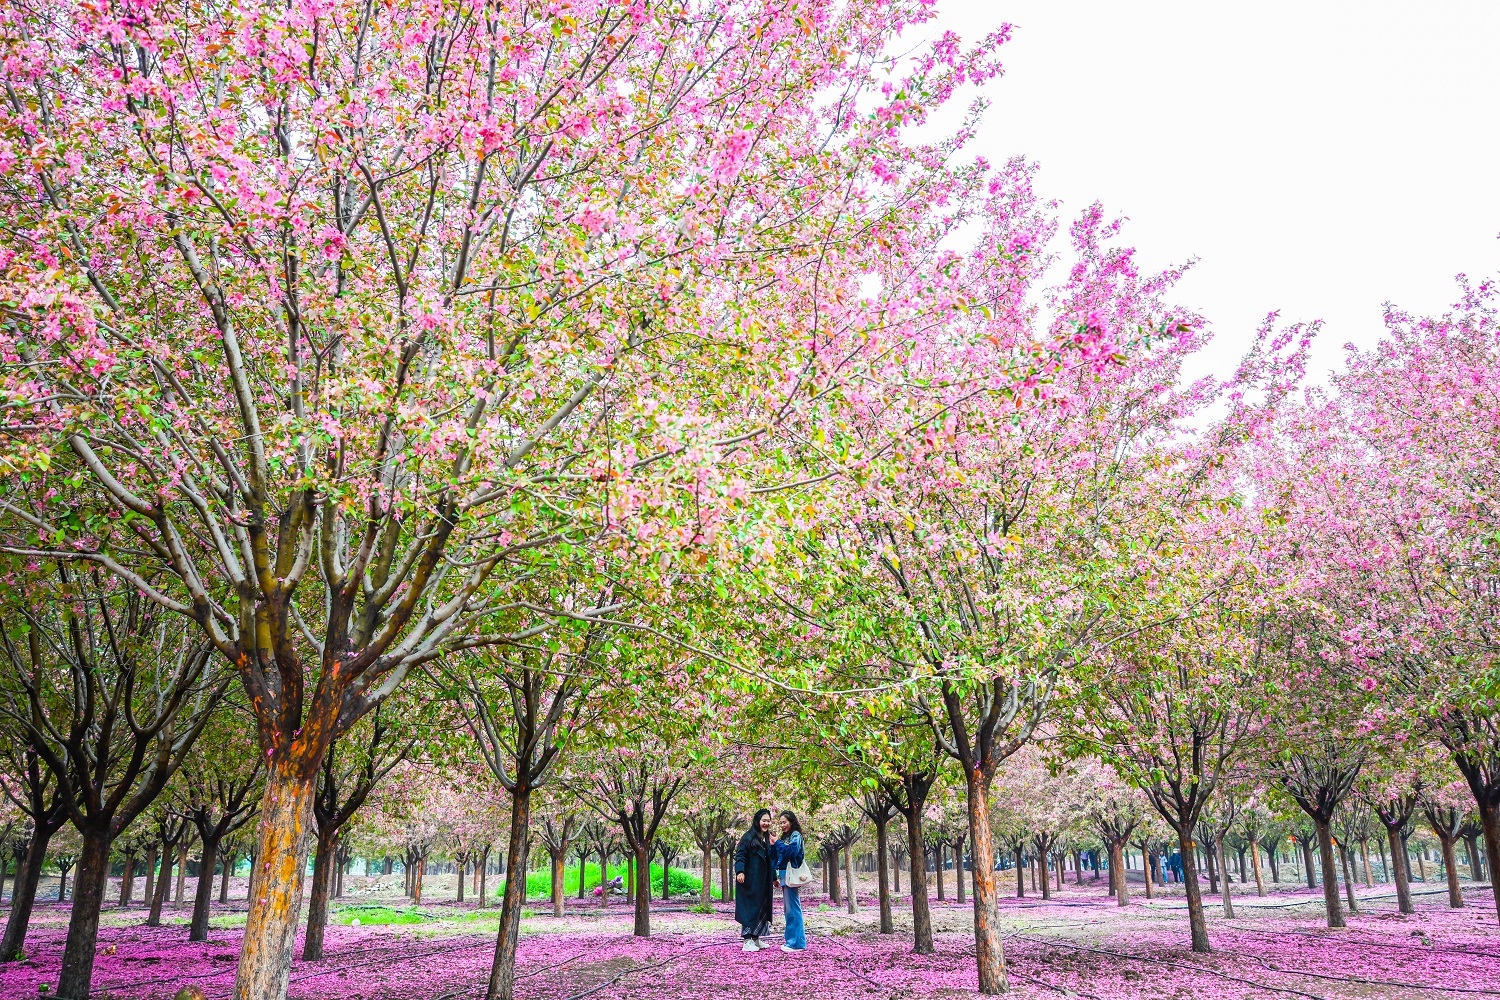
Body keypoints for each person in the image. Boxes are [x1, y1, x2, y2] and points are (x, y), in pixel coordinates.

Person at [734, 809, 776, 951]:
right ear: (757, 821)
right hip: (749, 880)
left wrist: (774, 877)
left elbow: (770, 859)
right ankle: (747, 941)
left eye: (768, 821)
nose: (766, 823)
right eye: (764, 820)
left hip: (763, 881)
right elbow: (740, 856)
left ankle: (756, 938)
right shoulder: (748, 837)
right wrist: (740, 871)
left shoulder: (767, 838)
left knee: (761, 908)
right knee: (749, 909)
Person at [773, 810, 807, 952]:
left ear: (791, 822)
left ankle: (796, 943)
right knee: (789, 909)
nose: (782, 825)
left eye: (784, 822)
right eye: (780, 823)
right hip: (784, 875)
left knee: (793, 908)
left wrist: (777, 843)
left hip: (790, 875)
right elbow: (779, 855)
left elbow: (792, 852)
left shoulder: (795, 836)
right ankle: (792, 941)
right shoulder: (786, 836)